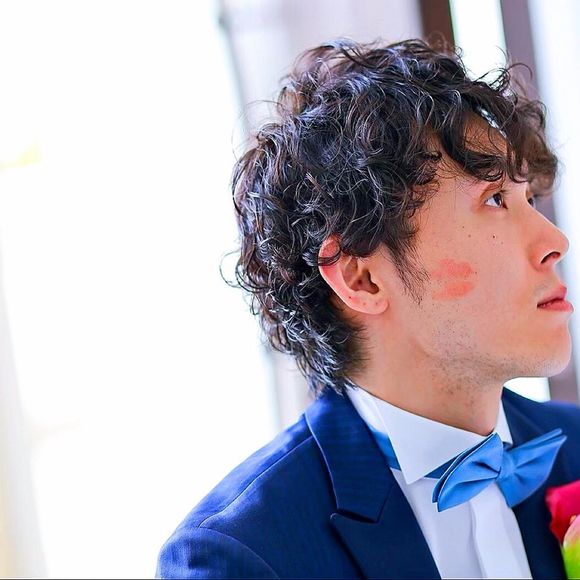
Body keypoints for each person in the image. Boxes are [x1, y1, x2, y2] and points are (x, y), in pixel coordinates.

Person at [156, 38, 580, 579]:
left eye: (529, 200)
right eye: (494, 200)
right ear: (362, 277)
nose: (555, 242)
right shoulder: (243, 554)